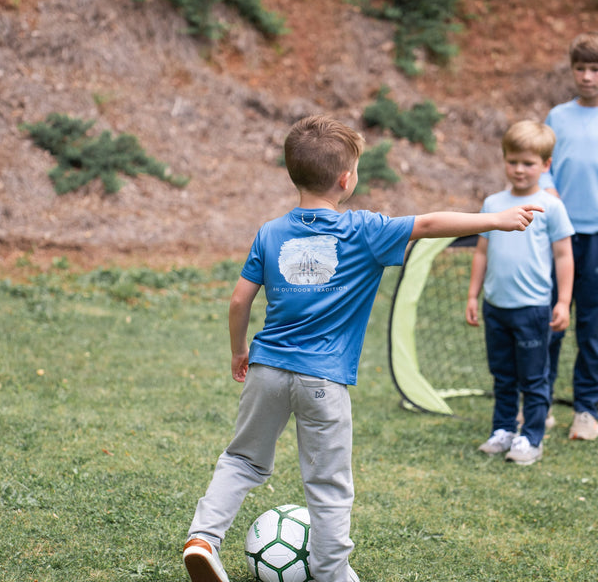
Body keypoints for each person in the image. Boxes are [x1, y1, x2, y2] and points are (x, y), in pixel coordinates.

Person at [183, 115, 544, 582]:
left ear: (293, 173)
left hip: (266, 369)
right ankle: (332, 572)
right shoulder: (363, 231)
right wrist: (495, 219)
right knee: (328, 483)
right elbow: (431, 222)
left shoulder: (270, 232)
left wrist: (239, 351)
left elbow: (239, 300)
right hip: (323, 381)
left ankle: (203, 539)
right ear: (346, 178)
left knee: (242, 459)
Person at [466, 120, 574, 465]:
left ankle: (532, 437)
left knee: (533, 376)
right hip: (496, 306)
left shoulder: (550, 207)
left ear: (546, 165)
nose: (519, 169)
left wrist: (563, 301)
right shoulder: (493, 203)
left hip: (533, 310)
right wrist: (472, 295)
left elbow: (563, 255)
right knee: (503, 374)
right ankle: (503, 430)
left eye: (528, 163)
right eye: (513, 161)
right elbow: (481, 251)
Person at [539, 31, 598, 441]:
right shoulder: (557, 117)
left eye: (595, 69)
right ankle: (539, 405)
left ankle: (586, 411)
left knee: (591, 327)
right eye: (581, 68)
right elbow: (541, 164)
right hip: (559, 236)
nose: (588, 77)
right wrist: (547, 184)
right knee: (552, 320)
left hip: (596, 239)